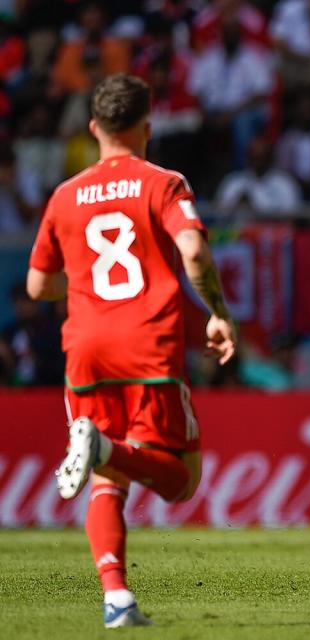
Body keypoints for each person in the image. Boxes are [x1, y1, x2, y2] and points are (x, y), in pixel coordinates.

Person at [26, 74, 237, 627]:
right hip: (148, 345)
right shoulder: (163, 182)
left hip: (86, 351)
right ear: (147, 127)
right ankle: (103, 448)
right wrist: (217, 311)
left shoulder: (65, 194)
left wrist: (79, 279)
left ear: (93, 128)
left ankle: (116, 598)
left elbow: (36, 286)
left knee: (107, 484)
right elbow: (193, 251)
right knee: (180, 480)